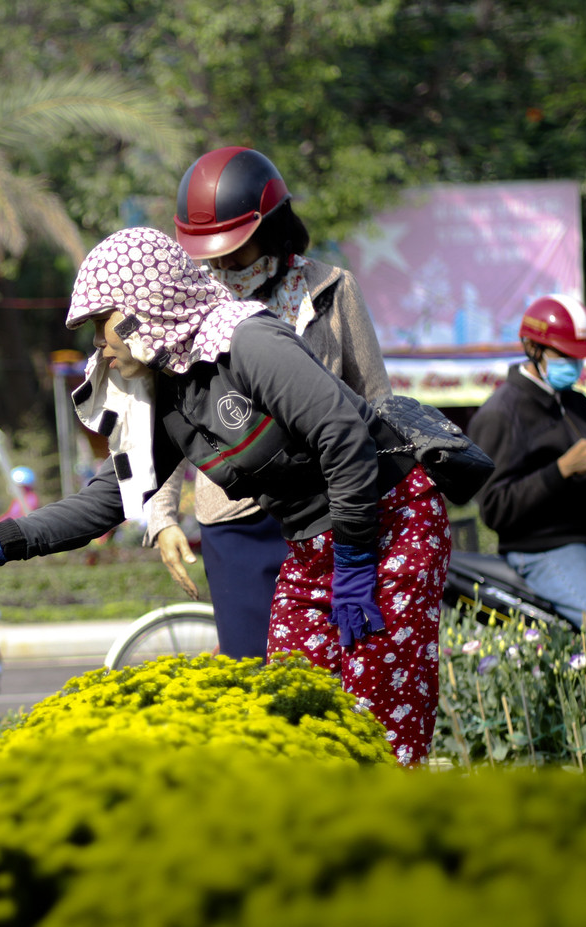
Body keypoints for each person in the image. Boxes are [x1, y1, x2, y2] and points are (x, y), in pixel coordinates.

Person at [0, 227, 449, 764]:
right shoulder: (168, 395)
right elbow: (105, 501)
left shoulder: (246, 342)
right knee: (294, 727)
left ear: (142, 311)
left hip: (387, 524)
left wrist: (358, 560)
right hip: (315, 547)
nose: (98, 346)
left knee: (383, 727)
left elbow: (344, 436)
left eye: (101, 328)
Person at [145, 146, 393, 659]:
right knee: (258, 676)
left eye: (233, 248)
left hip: (331, 511)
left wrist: (381, 510)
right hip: (237, 522)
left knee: (347, 667)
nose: (222, 264)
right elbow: (170, 415)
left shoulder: (332, 290)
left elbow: (375, 401)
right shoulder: (191, 306)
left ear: (272, 227)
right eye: (210, 252)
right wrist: (163, 516)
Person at [467, 294, 586, 626]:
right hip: (544, 549)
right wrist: (561, 470)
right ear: (532, 348)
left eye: (578, 357)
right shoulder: (501, 413)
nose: (575, 365)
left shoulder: (576, 402)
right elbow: (494, 509)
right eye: (564, 355)